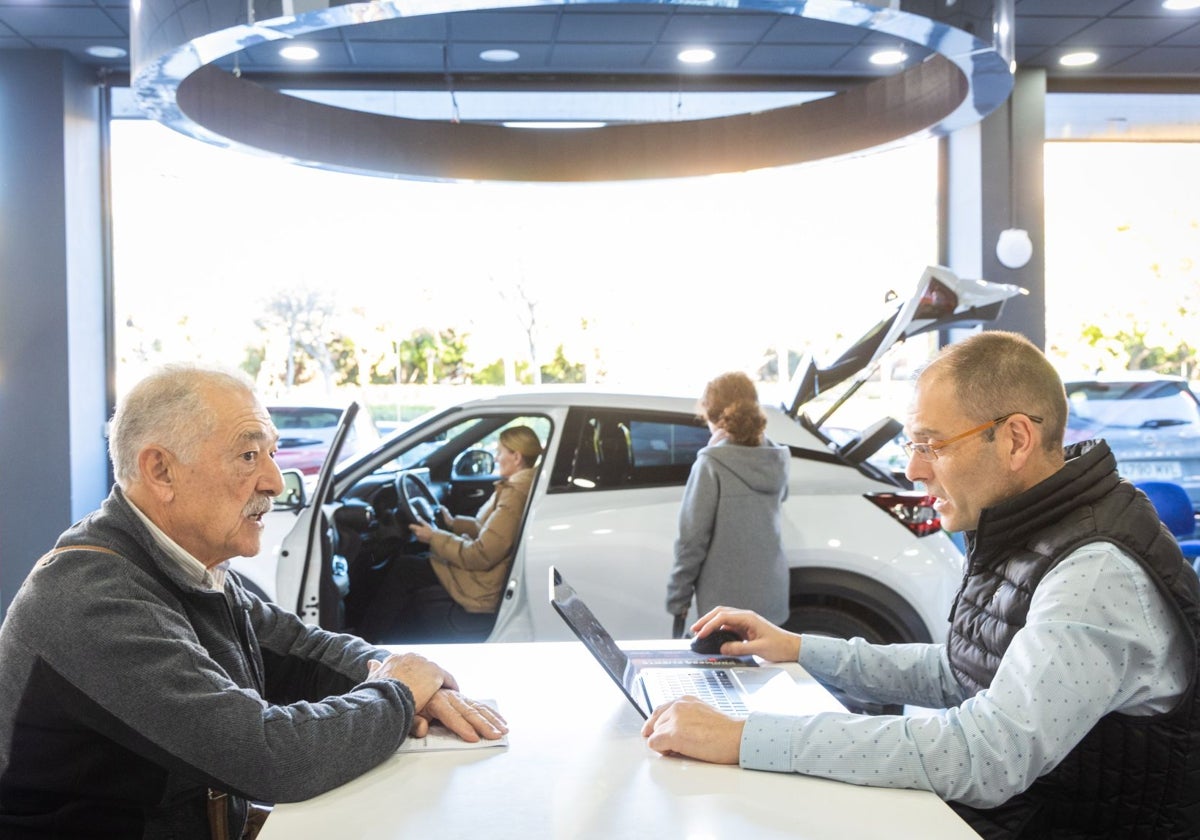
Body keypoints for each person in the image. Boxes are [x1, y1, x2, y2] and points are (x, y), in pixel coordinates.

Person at [642, 331, 1200, 839]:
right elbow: (961, 671)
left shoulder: (1093, 571)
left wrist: (744, 739)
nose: (912, 469)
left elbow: (985, 755)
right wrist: (798, 648)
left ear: (1014, 440)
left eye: (930, 445)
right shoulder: (1036, 527)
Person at [0, 365, 507, 839]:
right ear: (160, 470)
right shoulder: (92, 597)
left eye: (271, 454)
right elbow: (268, 756)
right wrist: (396, 694)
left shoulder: (184, 564)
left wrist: (403, 679)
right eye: (248, 456)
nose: (275, 480)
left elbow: (300, 650)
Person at [666, 371, 790, 635]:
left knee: (724, 675)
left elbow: (691, 539)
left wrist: (679, 597)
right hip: (772, 600)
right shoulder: (777, 457)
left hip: (725, 609)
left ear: (712, 418)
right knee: (762, 672)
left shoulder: (711, 464)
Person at [404, 424, 542, 615]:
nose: (496, 458)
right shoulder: (519, 488)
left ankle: (370, 640)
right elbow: (490, 531)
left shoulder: (515, 495)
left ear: (516, 457)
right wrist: (453, 523)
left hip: (482, 585)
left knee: (404, 569)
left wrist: (434, 537)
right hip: (485, 575)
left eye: (500, 452)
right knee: (414, 563)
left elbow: (481, 555)